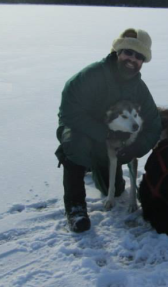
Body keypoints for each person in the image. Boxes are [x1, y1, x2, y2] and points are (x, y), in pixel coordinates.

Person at [55, 28, 162, 233]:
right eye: (128, 52)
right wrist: (105, 133)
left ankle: (92, 166)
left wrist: (137, 147)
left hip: (110, 143)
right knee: (76, 145)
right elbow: (69, 112)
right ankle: (75, 206)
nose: (132, 59)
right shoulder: (93, 75)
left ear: (143, 62)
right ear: (117, 52)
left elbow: (154, 124)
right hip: (81, 130)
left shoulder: (140, 89)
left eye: (138, 56)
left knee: (113, 190)